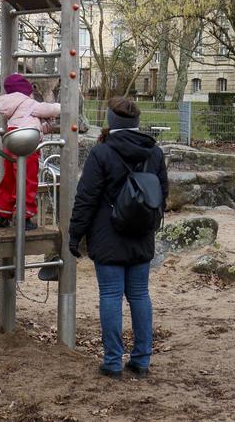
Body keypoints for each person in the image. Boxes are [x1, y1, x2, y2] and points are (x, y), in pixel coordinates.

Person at [69, 97, 167, 379]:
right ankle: (141, 360)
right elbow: (162, 193)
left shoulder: (102, 153)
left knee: (111, 295)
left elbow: (86, 198)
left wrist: (76, 234)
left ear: (111, 123)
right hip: (142, 233)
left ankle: (112, 362)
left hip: (107, 233)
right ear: (136, 123)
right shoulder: (154, 152)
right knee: (139, 295)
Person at [0, 73, 60, 229]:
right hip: (26, 145)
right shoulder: (29, 103)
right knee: (27, 180)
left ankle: (2, 213)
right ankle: (24, 217)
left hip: (11, 142)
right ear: (26, 91)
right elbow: (51, 109)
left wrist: (45, 126)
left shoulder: (10, 104)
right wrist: (64, 107)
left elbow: (28, 123)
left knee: (10, 179)